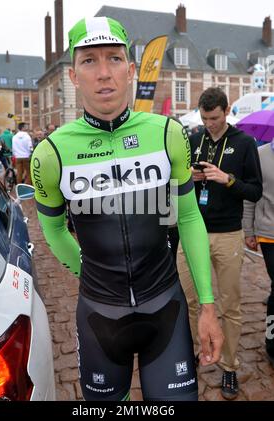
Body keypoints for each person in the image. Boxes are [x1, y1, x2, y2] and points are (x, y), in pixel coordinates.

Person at [31, 16, 223, 402]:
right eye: (89, 61)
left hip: (164, 306)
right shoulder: (50, 153)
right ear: (73, 75)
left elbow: (186, 216)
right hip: (100, 316)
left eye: (114, 59)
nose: (104, 73)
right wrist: (88, 272)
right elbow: (52, 230)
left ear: (132, 69)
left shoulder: (168, 133)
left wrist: (207, 306)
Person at [177, 87, 262, 400]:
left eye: (214, 118)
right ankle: (199, 353)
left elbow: (254, 190)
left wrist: (226, 179)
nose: (209, 123)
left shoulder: (244, 143)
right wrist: (190, 177)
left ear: (226, 112)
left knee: (229, 304)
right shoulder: (193, 139)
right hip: (193, 231)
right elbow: (176, 181)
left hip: (228, 234)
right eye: (204, 118)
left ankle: (228, 366)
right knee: (189, 298)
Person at [243, 139, 274, 365]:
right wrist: (248, 230)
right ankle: (272, 343)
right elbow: (251, 195)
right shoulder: (260, 154)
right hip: (268, 231)